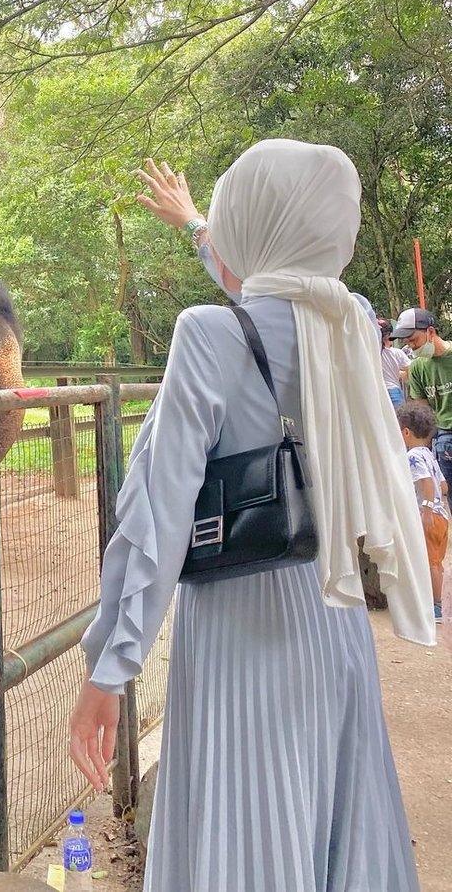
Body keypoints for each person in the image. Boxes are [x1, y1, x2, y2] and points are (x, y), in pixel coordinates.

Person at [69, 143, 434, 892]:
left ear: (256, 223)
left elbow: (159, 510)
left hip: (240, 627)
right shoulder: (355, 325)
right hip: (333, 625)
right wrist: (196, 222)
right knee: (334, 819)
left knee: (246, 834)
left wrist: (112, 664)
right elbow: (270, 292)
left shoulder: (207, 334)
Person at [395, 400, 449, 622]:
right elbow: (443, 486)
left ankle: (437, 606)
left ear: (406, 432)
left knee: (431, 563)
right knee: (437, 562)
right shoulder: (429, 454)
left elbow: (426, 483)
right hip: (442, 517)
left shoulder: (413, 457)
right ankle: (441, 601)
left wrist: (426, 510)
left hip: (429, 517)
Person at [395, 308, 452, 501]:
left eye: (413, 340)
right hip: (444, 441)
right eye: (407, 343)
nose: (411, 347)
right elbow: (423, 414)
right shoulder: (418, 367)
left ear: (430, 332)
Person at [379, 317, 411, 407]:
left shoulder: (370, 353)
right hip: (393, 392)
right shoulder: (396, 353)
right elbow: (411, 371)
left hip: (376, 392)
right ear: (390, 335)